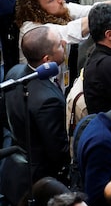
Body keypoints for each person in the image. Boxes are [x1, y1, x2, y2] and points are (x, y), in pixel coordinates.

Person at [5, 27, 70, 185]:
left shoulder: (14, 72)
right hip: (42, 177)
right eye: (59, 45)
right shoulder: (49, 100)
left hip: (18, 160)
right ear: (47, 59)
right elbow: (57, 150)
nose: (64, 43)